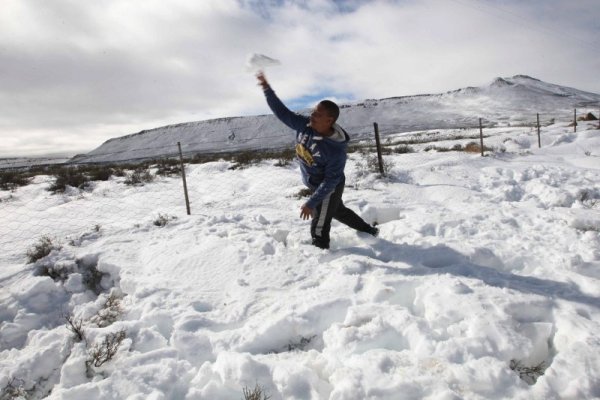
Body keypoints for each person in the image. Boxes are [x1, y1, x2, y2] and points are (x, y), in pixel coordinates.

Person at [257, 72, 378, 249]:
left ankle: (320, 249)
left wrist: (311, 203)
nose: (312, 115)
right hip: (315, 183)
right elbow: (282, 112)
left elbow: (330, 181)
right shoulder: (304, 125)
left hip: (330, 186)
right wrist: (267, 89)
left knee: (321, 219)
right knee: (338, 211)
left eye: (317, 114)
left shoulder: (336, 150)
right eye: (313, 111)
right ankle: (369, 231)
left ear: (329, 121)